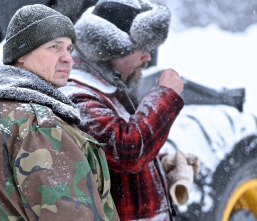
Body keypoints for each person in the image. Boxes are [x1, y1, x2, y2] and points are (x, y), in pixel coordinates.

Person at [0, 4, 119, 221]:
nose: (67, 58)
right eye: (55, 47)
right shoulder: (41, 126)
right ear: (21, 55)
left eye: (69, 48)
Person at [60, 0, 184, 220]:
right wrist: (166, 95)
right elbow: (127, 150)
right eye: (141, 48)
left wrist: (161, 164)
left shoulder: (111, 85)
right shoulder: (75, 94)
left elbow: (112, 164)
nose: (148, 56)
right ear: (108, 51)